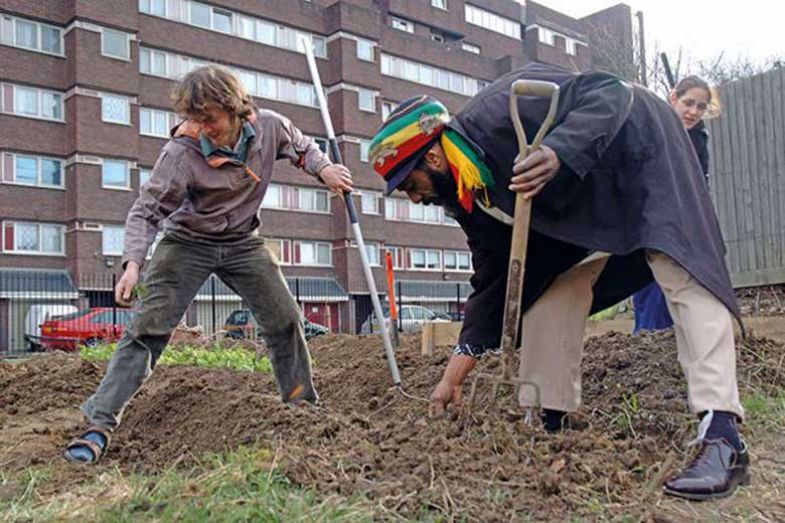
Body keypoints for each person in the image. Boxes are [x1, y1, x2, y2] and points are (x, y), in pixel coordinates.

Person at [369, 62, 748, 501]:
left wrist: (558, 151)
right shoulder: (470, 196)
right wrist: (453, 376)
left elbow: (611, 91)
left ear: (432, 158)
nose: (414, 197)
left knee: (680, 269)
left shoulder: (503, 108)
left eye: (410, 184)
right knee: (550, 298)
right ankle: (551, 421)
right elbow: (492, 281)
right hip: (591, 202)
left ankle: (723, 436)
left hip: (641, 149)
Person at [64, 65, 353, 464]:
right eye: (194, 119)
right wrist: (132, 264)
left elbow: (303, 148)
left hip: (242, 241)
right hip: (187, 242)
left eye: (210, 118)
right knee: (147, 329)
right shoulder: (180, 153)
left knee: (285, 319)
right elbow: (146, 211)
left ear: (235, 109)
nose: (202, 128)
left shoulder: (270, 127)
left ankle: (301, 406)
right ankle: (99, 425)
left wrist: (325, 169)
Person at [633, 75, 716, 334]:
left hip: (682, 222)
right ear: (673, 98)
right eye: (688, 103)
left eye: (701, 107)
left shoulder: (698, 139)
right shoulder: (652, 127)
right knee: (646, 281)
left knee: (676, 283)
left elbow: (699, 186)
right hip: (647, 219)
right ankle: (647, 337)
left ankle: (668, 336)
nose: (693, 112)